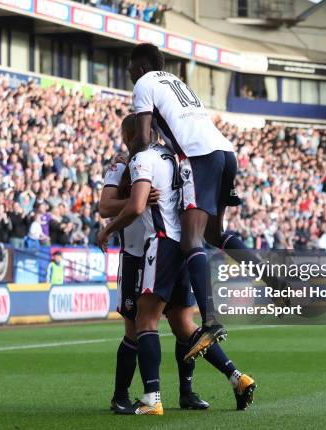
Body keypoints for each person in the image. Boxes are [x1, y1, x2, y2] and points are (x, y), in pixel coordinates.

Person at [127, 43, 288, 362]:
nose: (129, 74)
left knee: (190, 240)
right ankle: (273, 279)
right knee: (215, 234)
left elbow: (144, 138)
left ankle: (211, 320)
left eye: (131, 68)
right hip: (225, 153)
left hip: (199, 156)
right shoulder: (174, 81)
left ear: (141, 67)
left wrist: (127, 164)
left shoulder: (144, 84)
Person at [97, 126, 255, 415]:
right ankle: (234, 378)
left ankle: (147, 397)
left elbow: (129, 207)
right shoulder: (162, 160)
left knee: (141, 325)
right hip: (167, 247)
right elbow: (107, 204)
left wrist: (129, 209)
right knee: (182, 328)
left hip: (153, 249)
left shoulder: (142, 160)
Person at [100, 115, 210, 413]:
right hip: (135, 254)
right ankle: (120, 396)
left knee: (180, 323)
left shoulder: (163, 159)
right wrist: (138, 200)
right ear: (129, 136)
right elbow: (104, 207)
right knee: (134, 328)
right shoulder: (122, 164)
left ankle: (185, 392)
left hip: (163, 248)